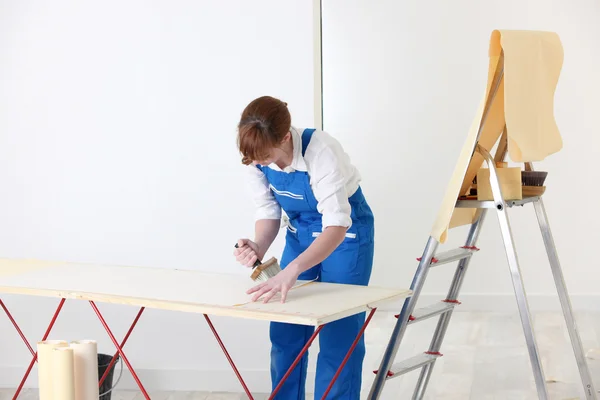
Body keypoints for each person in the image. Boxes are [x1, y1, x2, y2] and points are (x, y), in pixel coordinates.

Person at [233, 95, 375, 399]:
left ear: (285, 137)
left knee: (339, 332)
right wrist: (257, 246)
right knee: (286, 329)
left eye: (264, 156)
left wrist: (294, 269)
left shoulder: (321, 150)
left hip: (346, 235)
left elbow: (337, 224)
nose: (258, 163)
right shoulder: (257, 158)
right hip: (301, 234)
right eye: (252, 158)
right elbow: (269, 211)